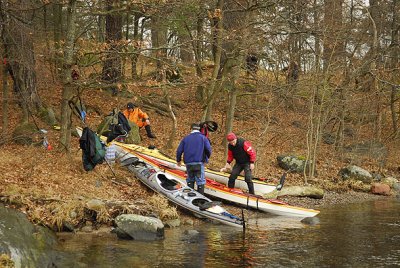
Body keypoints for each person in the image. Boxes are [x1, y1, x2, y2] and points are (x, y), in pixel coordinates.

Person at [176, 123, 212, 195]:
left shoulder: (186, 138)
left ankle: (189, 197)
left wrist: (178, 160)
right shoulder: (203, 138)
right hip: (199, 163)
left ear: (191, 129)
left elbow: (179, 150)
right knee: (200, 181)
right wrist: (206, 158)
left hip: (188, 163)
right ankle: (201, 199)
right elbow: (208, 149)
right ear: (199, 129)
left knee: (190, 180)